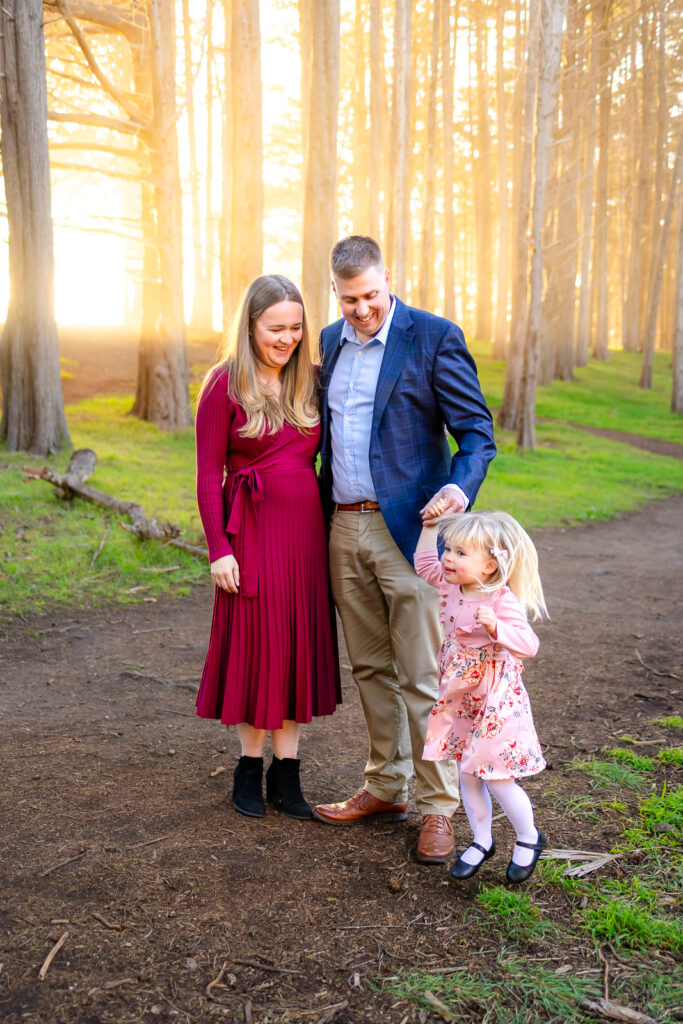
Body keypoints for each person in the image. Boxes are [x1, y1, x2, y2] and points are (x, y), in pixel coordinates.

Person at [313, 235, 496, 864]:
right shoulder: (331, 342)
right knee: (368, 667)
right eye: (348, 299)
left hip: (414, 532)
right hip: (344, 526)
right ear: (334, 293)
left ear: (388, 279)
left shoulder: (433, 336)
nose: (361, 309)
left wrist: (457, 486)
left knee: (423, 674)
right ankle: (385, 786)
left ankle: (438, 806)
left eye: (370, 295)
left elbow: (476, 432)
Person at [194, 274, 341, 822]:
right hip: (248, 533)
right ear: (250, 325)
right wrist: (219, 549)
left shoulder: (314, 382)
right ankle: (248, 768)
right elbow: (209, 477)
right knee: (258, 645)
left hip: (305, 535)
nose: (287, 338)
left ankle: (288, 772)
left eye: (296, 328)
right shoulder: (223, 385)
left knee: (297, 644)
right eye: (275, 328)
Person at [414, 507, 547, 883]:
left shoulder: (499, 599)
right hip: (461, 696)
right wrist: (430, 529)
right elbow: (424, 562)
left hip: (494, 699)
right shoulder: (451, 584)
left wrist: (498, 627)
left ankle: (528, 837)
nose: (448, 558)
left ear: (489, 566)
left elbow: (528, 644)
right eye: (449, 548)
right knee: (467, 773)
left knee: (497, 776)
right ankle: (482, 839)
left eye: (460, 553)